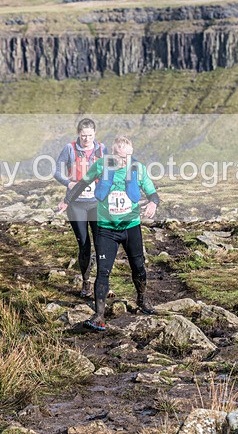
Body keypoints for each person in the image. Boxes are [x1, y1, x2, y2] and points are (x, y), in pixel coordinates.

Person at [58, 135, 160, 331]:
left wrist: (154, 203)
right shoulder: (101, 166)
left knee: (138, 267)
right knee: (103, 271)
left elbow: (151, 191)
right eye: (122, 157)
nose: (126, 160)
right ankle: (99, 316)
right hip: (106, 229)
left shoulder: (137, 168)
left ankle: (142, 299)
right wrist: (67, 201)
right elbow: (82, 184)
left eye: (129, 156)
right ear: (113, 154)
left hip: (131, 227)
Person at [54, 118, 107, 297]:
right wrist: (68, 183)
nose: (86, 139)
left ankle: (103, 282)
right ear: (78, 133)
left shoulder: (101, 149)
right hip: (76, 204)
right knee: (84, 244)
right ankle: (86, 282)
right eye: (83, 136)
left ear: (95, 134)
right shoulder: (69, 149)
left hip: (97, 203)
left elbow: (111, 171)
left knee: (102, 244)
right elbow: (57, 172)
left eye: (90, 136)